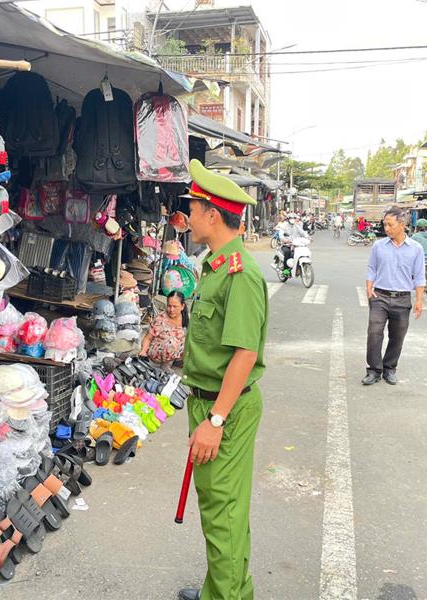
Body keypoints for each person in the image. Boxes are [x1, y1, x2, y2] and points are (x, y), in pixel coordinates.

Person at [178, 158, 268, 600]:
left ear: (212, 215)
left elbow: (244, 354)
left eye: (193, 209)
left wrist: (215, 421)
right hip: (209, 402)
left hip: (223, 408)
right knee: (223, 508)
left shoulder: (241, 274)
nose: (188, 216)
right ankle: (227, 590)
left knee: (222, 513)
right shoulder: (215, 266)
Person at [363, 207, 426, 386]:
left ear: (402, 224)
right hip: (379, 296)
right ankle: (374, 370)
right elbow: (372, 268)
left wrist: (419, 300)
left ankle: (389, 368)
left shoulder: (416, 249)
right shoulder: (378, 246)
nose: (386, 228)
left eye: (390, 225)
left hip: (402, 298)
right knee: (374, 332)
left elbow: (419, 276)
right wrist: (369, 287)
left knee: (397, 335)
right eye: (385, 224)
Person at [138, 291, 187, 369]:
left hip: (176, 353)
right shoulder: (160, 319)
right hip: (158, 352)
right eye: (169, 306)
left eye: (175, 306)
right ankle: (165, 366)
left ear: (182, 306)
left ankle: (177, 362)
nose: (171, 310)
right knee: (172, 342)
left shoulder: (186, 318)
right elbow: (148, 338)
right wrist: (143, 351)